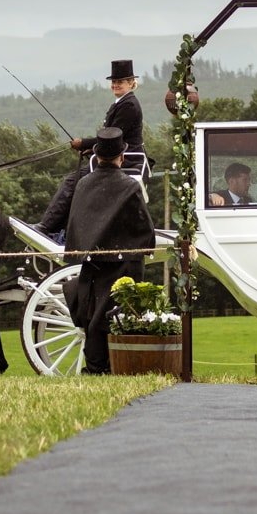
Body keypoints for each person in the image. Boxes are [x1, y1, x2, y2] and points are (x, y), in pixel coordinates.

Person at [63, 127, 155, 375]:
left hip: (92, 265)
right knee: (120, 314)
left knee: (94, 316)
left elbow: (76, 223)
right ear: (122, 157)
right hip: (124, 266)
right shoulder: (130, 186)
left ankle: (96, 366)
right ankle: (121, 363)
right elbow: (144, 228)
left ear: (97, 156)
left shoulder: (82, 185)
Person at [37, 59, 146, 242]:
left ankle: (47, 227)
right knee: (75, 179)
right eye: (114, 82)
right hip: (115, 153)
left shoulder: (128, 105)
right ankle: (56, 229)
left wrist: (84, 143)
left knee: (73, 181)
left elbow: (112, 137)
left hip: (124, 158)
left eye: (120, 82)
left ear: (130, 82)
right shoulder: (122, 102)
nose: (115, 85)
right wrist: (91, 149)